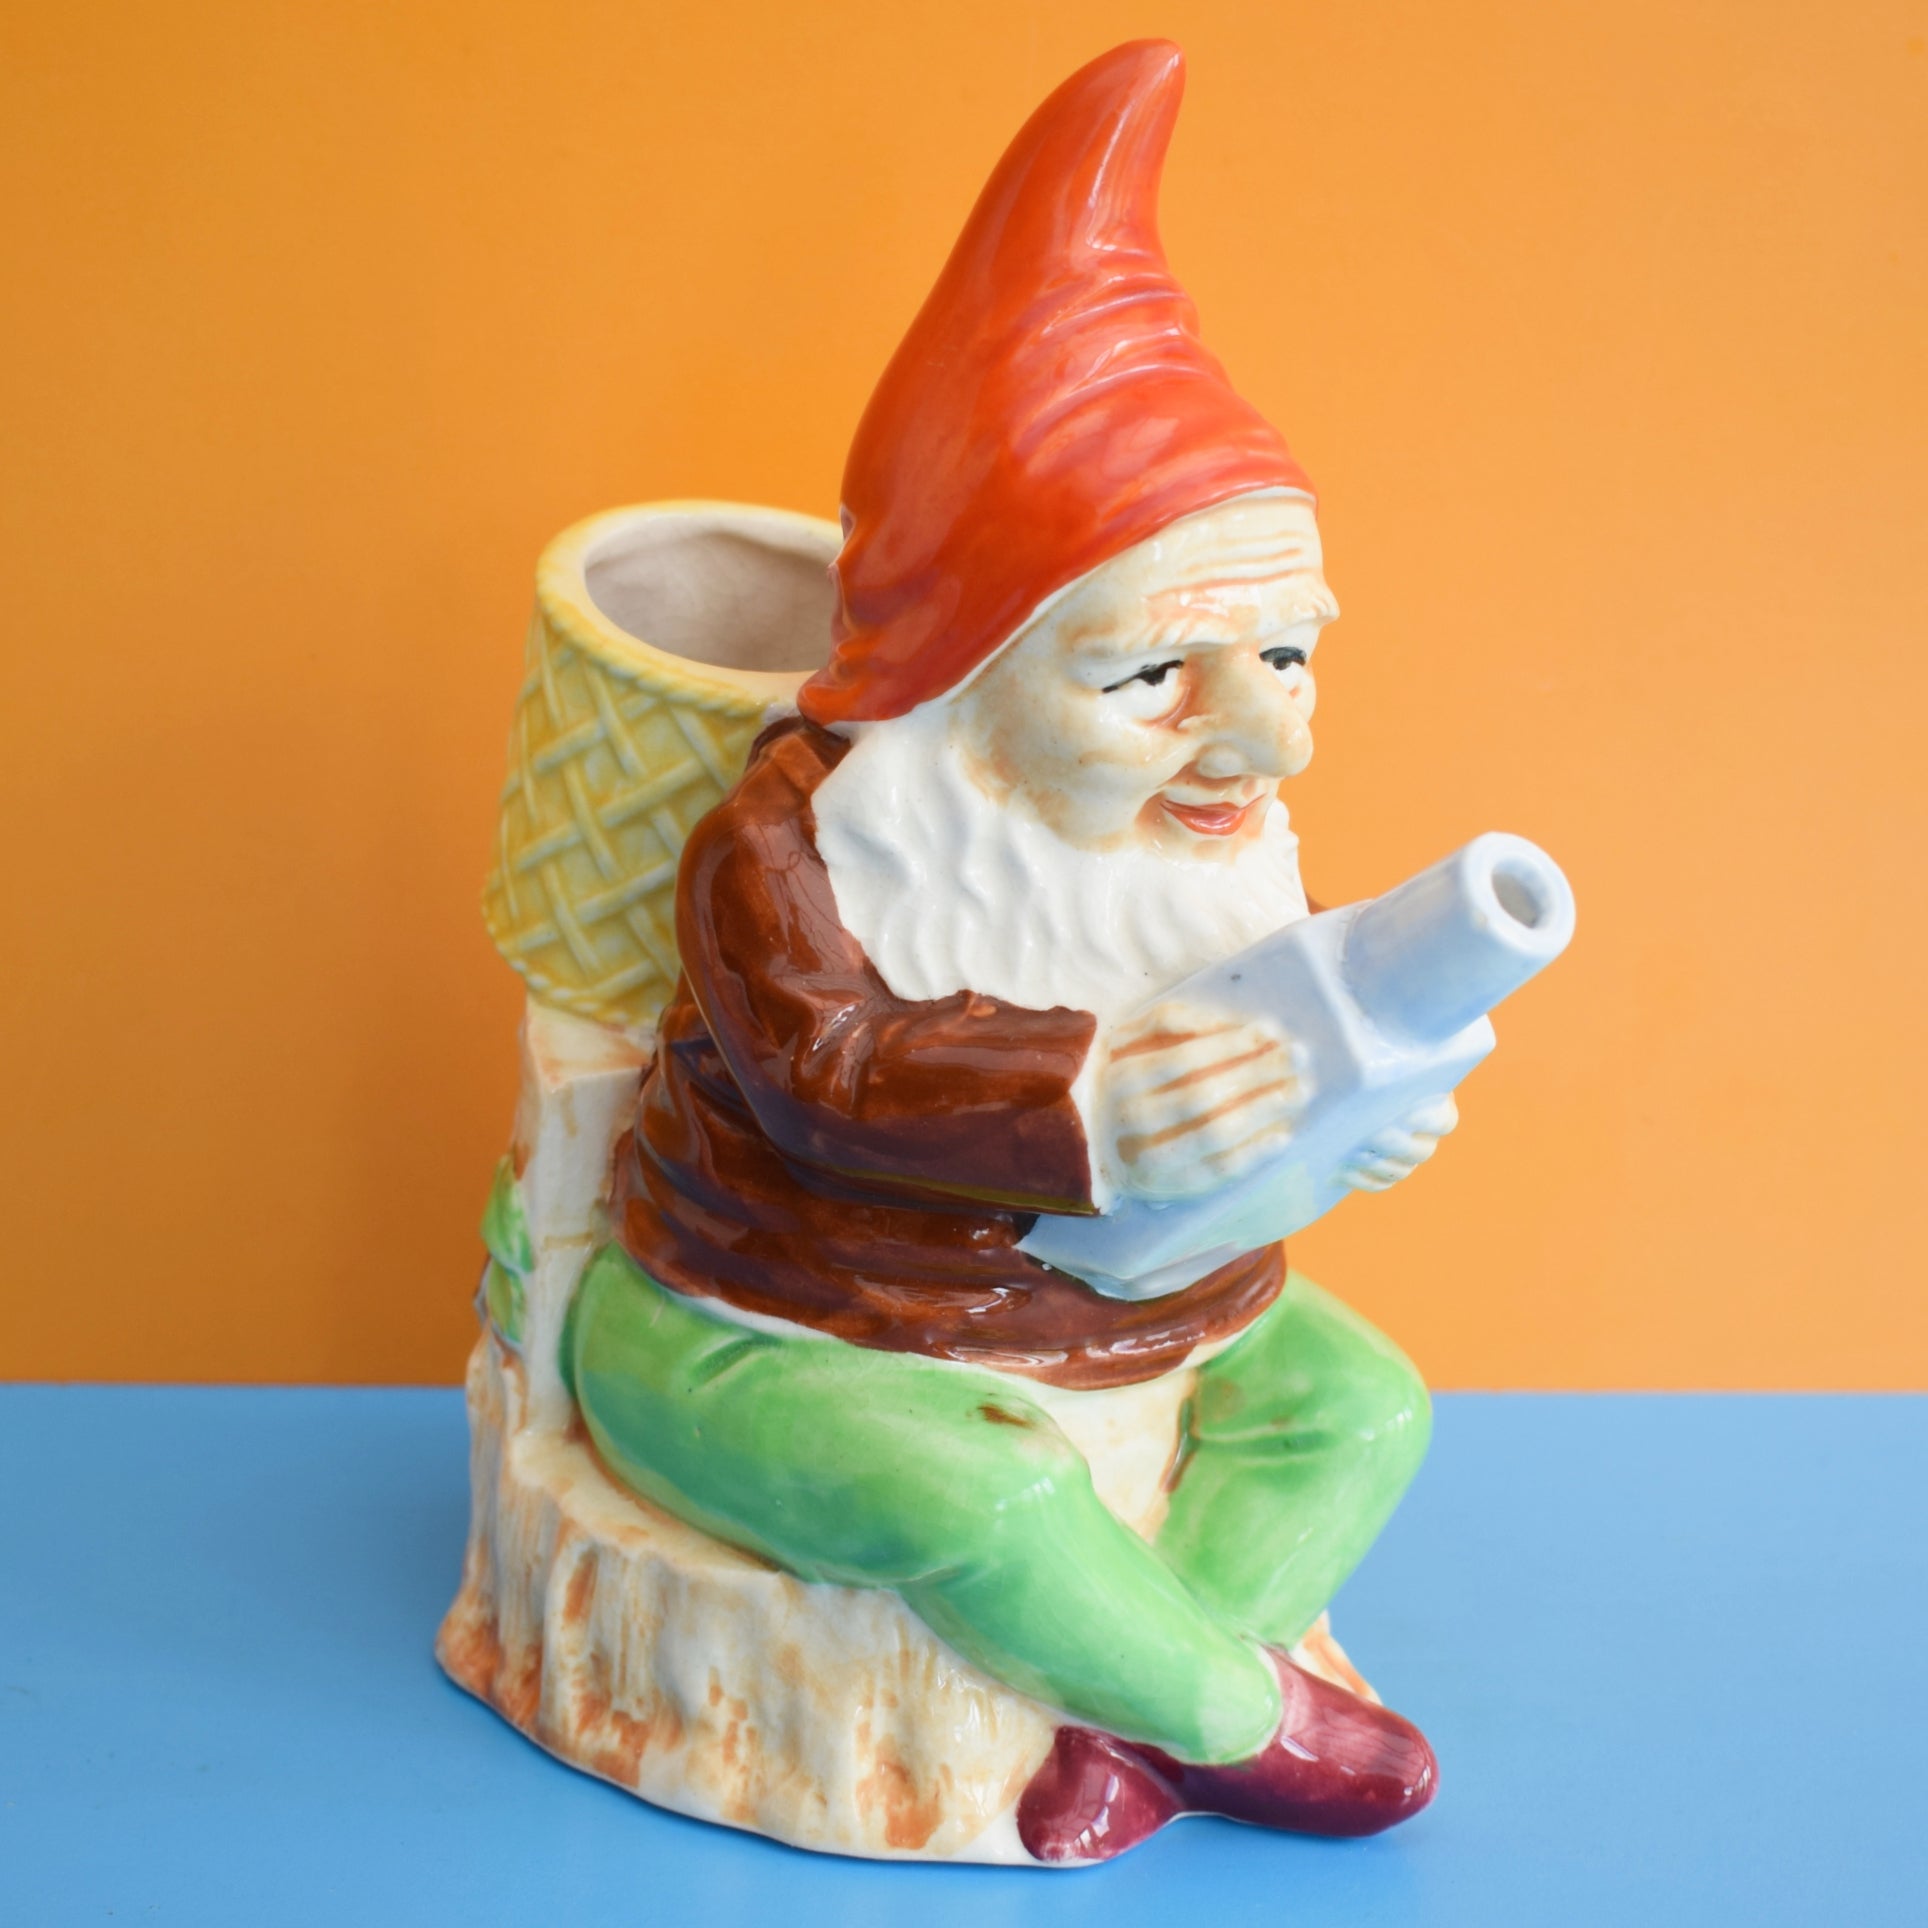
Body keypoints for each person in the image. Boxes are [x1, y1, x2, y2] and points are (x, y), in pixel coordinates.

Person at [568, 40, 1453, 1860]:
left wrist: (1339, 1116)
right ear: (957, 674)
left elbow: (1242, 1049)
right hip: (773, 1330)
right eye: (1157, 674)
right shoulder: (792, 852)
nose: (1263, 738)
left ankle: (1126, 1720)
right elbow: (825, 1080)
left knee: (1361, 1407)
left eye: (1289, 656)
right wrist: (1086, 1107)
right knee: (989, 1499)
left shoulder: (1188, 853)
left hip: (1142, 1320)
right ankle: (1239, 1720)